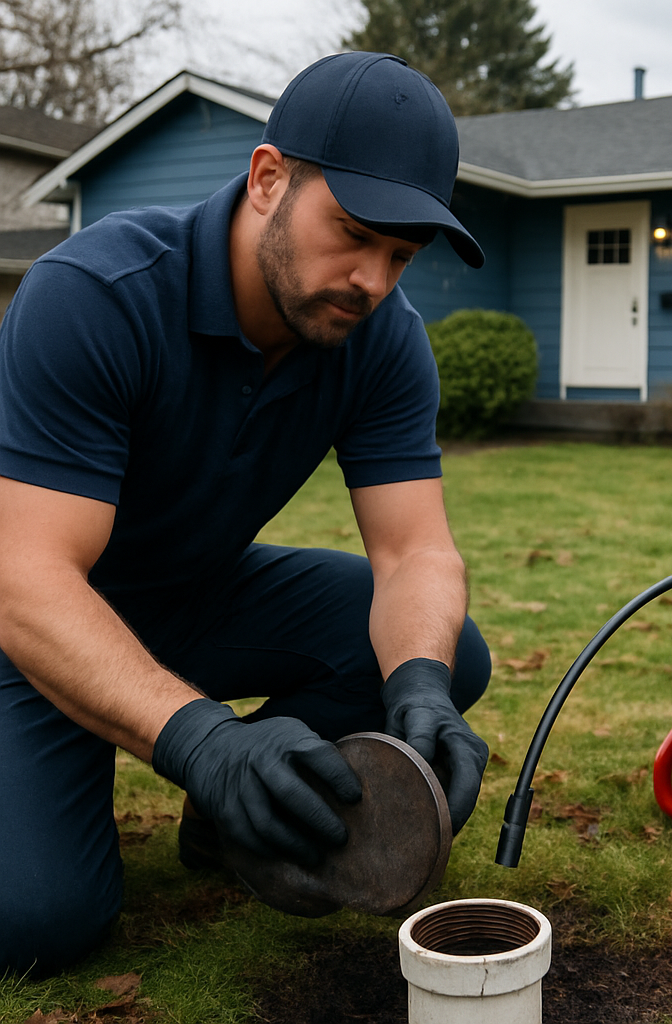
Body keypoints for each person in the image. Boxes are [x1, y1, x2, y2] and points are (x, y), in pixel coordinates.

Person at [0, 51, 491, 976]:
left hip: (193, 594)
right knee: (36, 921)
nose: (373, 281)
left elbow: (415, 550)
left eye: (401, 255)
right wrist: (204, 739)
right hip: (27, 621)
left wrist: (419, 688)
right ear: (269, 179)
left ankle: (234, 827)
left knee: (443, 650)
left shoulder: (380, 337)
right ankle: (217, 778)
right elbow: (26, 581)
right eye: (352, 232)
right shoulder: (95, 298)